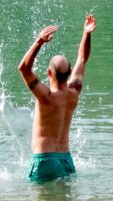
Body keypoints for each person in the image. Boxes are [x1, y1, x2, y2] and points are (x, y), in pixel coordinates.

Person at [18, 13, 96, 182]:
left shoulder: (45, 96)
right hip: (66, 160)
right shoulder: (74, 92)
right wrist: (86, 33)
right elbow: (82, 58)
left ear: (49, 73)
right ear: (69, 74)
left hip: (44, 160)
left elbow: (24, 69)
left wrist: (39, 42)